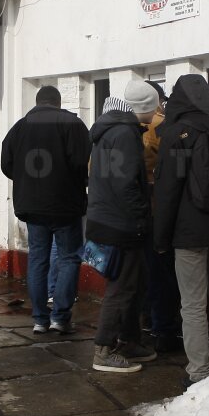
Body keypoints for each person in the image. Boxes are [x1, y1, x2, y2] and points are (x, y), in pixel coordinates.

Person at [153, 74, 209, 386]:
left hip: (189, 233)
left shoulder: (177, 134)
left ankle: (199, 373)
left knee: (192, 305)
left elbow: (167, 191)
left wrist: (161, 238)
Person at [0, 85, 91, 334]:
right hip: (65, 204)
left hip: (31, 206)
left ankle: (40, 318)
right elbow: (83, 163)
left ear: (38, 102)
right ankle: (60, 316)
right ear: (58, 103)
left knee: (38, 259)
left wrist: (28, 181)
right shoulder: (72, 124)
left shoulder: (19, 127)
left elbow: (7, 164)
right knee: (69, 257)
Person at [87, 84, 159, 373]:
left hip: (107, 218)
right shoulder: (125, 133)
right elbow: (125, 183)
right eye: (154, 107)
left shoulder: (112, 129)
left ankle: (129, 340)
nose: (156, 113)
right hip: (121, 223)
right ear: (143, 107)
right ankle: (103, 350)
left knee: (135, 282)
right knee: (122, 287)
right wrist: (143, 216)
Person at [140, 80, 182, 353]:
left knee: (148, 271)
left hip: (141, 207)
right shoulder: (159, 125)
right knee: (164, 273)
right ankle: (164, 328)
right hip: (158, 205)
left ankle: (149, 321)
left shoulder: (132, 124)